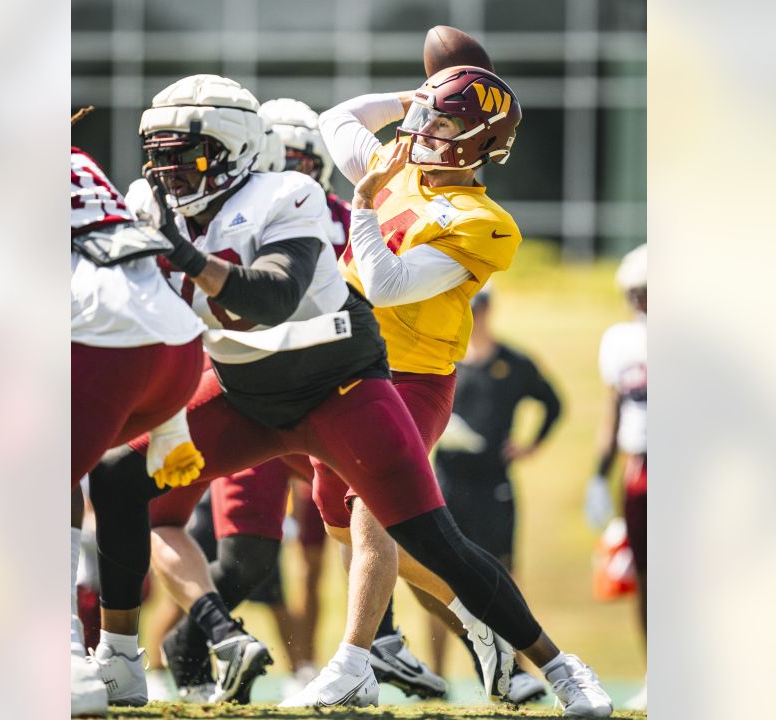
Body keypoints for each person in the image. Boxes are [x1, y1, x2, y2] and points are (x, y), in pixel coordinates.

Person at [95, 73, 611, 717]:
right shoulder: (160, 200)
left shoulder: (302, 196)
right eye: (163, 154)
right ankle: (117, 659)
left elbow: (318, 290)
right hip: (251, 386)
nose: (169, 170)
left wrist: (361, 203)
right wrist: (414, 100)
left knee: (422, 534)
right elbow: (341, 116)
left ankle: (559, 669)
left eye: (186, 153)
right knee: (119, 476)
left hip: (349, 384)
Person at [69, 142, 208, 714]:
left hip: (107, 348)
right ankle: (120, 662)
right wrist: (170, 420)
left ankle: (66, 659)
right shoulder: (78, 159)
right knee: (107, 479)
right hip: (177, 352)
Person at [427, 285, 561, 701]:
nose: (475, 315)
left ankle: (515, 670)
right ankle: (435, 675)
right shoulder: (441, 360)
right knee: (439, 580)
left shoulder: (513, 363)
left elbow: (552, 402)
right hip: (446, 482)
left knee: (501, 574)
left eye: (480, 307)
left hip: (493, 486)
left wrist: (531, 444)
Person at [585, 243, 648, 710]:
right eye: (637, 292)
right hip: (639, 468)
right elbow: (614, 411)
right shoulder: (620, 340)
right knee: (647, 578)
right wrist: (597, 476)